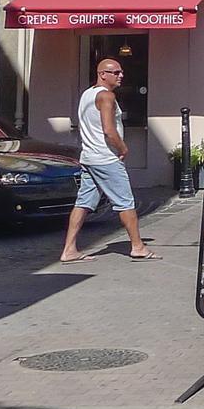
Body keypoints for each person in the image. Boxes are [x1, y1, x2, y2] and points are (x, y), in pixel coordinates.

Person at [59, 58, 158, 262]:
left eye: (121, 72)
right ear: (102, 74)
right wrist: (123, 148)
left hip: (89, 157)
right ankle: (138, 246)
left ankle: (69, 249)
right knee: (125, 202)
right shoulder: (106, 96)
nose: (121, 75)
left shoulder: (88, 94)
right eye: (116, 72)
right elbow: (108, 130)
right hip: (106, 158)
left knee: (83, 202)